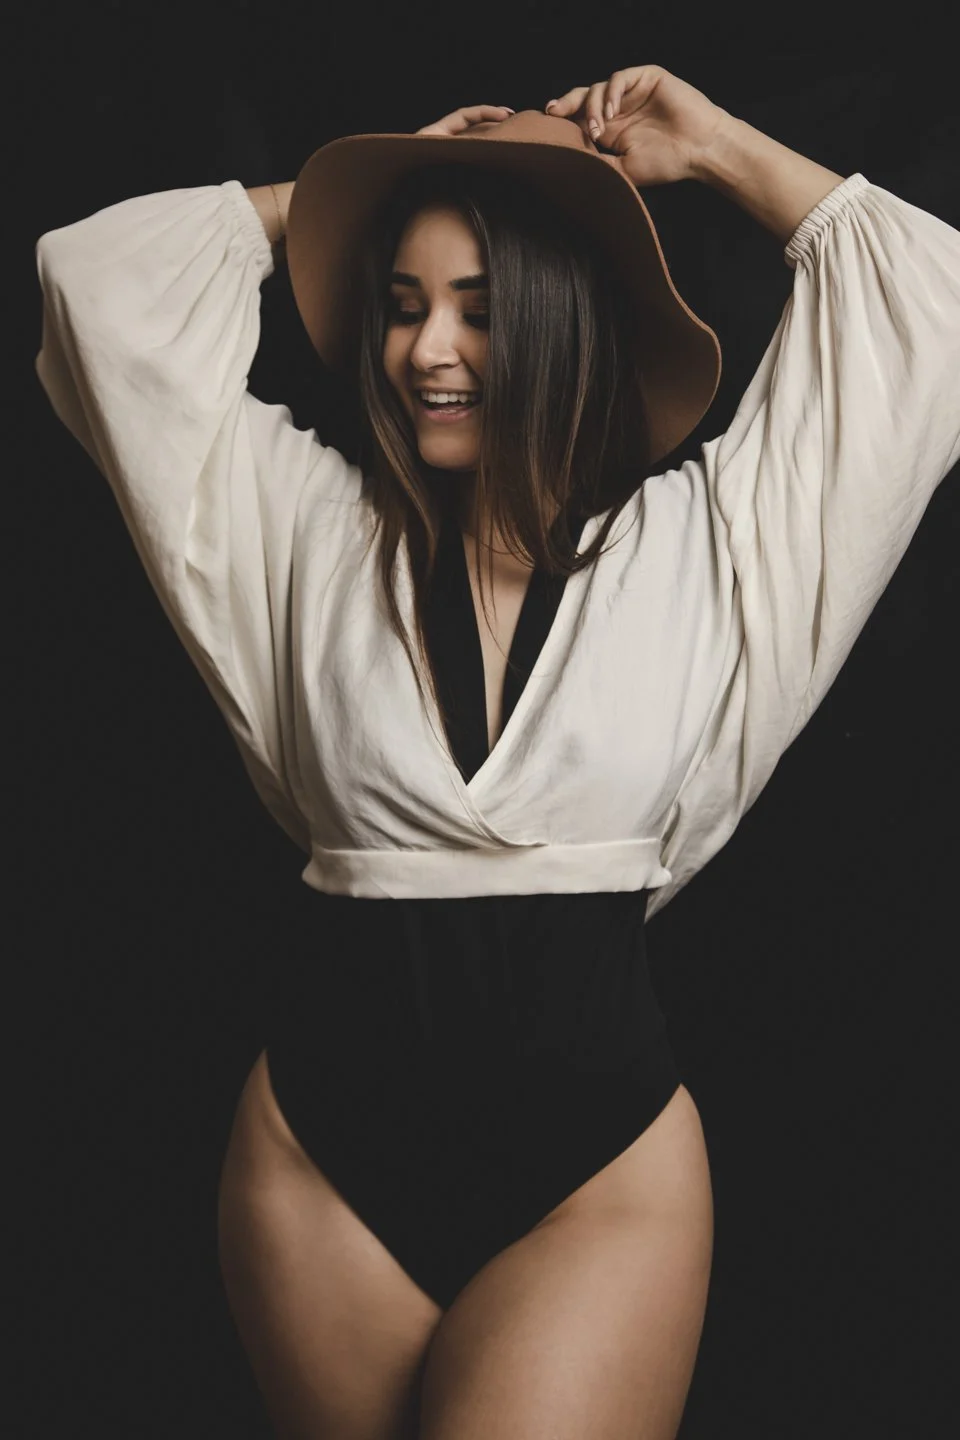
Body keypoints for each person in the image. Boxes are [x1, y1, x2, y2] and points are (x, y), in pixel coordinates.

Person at [33, 62, 958, 1440]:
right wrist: (365, 174)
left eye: (475, 306)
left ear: (561, 313)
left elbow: (928, 306)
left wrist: (710, 148)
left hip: (598, 1174)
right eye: (401, 308)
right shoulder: (299, 527)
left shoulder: (705, 549)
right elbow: (92, 284)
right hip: (315, 1164)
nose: (426, 351)